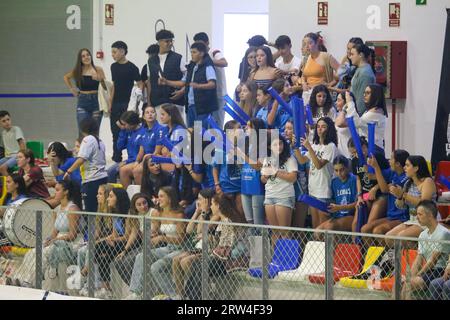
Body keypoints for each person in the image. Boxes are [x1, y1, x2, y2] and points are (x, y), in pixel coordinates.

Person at [10, 180, 82, 288]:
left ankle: (30, 282)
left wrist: (57, 240)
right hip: (57, 241)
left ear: (66, 192)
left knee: (42, 254)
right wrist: (47, 240)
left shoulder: (72, 209)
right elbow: (54, 233)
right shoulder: (57, 209)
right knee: (33, 251)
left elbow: (72, 235)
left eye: (57, 190)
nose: (55, 193)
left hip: (70, 243)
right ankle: (19, 279)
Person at [127, 186, 185, 299]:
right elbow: (155, 230)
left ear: (170, 198)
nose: (159, 199)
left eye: (162, 196)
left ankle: (174, 296)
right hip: (168, 248)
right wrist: (153, 235)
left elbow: (181, 240)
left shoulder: (179, 215)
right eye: (158, 196)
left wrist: (162, 238)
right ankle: (135, 293)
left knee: (155, 268)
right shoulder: (160, 213)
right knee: (141, 256)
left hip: (180, 248)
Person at [172, 188, 219, 299]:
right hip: (198, 247)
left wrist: (203, 212)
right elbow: (189, 230)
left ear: (208, 201)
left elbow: (201, 231)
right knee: (175, 260)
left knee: (185, 261)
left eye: (200, 199)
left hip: (210, 249)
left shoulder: (216, 215)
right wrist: (197, 212)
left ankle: (199, 287)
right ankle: (181, 295)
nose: (198, 202)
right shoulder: (201, 213)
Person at [159, 41, 217, 128]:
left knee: (199, 135)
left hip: (202, 107)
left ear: (201, 53)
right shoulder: (191, 66)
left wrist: (198, 86)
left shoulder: (207, 66)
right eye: (191, 52)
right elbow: (183, 82)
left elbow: (212, 84)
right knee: (190, 132)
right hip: (190, 105)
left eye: (194, 52)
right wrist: (167, 82)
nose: (192, 54)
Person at [400, 200, 450, 299]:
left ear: (430, 215)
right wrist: (411, 276)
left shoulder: (443, 233)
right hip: (428, 271)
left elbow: (432, 261)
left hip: (440, 270)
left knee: (410, 284)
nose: (417, 217)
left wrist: (417, 275)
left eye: (420, 214)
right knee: (401, 283)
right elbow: (419, 259)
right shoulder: (423, 234)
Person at [296, 117, 338, 229]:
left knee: (323, 227)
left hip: (324, 190)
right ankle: (318, 247)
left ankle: (327, 247)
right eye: (318, 126)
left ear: (329, 129)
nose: (320, 129)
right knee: (315, 226)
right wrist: (294, 147)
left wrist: (309, 147)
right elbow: (302, 160)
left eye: (323, 126)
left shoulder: (331, 146)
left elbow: (319, 165)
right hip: (313, 189)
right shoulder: (315, 145)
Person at [386, 156, 437, 246]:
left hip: (427, 221)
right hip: (412, 220)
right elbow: (401, 206)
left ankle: (416, 258)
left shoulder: (427, 181)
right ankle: (400, 259)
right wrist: (399, 197)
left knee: (401, 237)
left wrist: (403, 195)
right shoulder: (408, 183)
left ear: (416, 168)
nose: (404, 168)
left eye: (407, 165)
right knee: (389, 237)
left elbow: (424, 204)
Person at [64, 118, 108, 213]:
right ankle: (99, 228)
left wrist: (69, 171)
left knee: (90, 210)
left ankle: (91, 228)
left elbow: (81, 159)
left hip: (92, 180)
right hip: (103, 178)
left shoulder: (87, 139)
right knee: (100, 209)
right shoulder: (101, 141)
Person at [362, 150, 409, 236]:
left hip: (402, 217)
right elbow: (373, 176)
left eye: (391, 159)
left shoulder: (405, 178)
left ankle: (387, 250)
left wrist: (376, 167)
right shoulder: (392, 172)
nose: (389, 161)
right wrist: (368, 167)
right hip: (391, 216)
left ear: (398, 164)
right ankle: (374, 250)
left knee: (378, 231)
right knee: (365, 229)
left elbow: (384, 189)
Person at [93, 188, 130, 299]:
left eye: (111, 196)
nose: (108, 198)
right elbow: (114, 234)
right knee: (102, 257)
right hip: (116, 243)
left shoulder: (128, 213)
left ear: (118, 198)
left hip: (127, 244)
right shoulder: (114, 212)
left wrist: (113, 240)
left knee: (98, 247)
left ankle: (88, 273)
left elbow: (127, 236)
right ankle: (106, 289)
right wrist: (109, 238)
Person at [109, 41, 142, 163]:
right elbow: (114, 86)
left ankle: (133, 157)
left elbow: (140, 83)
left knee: (129, 130)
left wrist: (138, 101)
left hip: (128, 104)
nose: (112, 55)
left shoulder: (132, 67)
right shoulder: (113, 66)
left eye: (114, 52)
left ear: (122, 51)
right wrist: (110, 103)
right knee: (115, 131)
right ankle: (116, 158)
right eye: (112, 52)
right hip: (116, 103)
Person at [261, 134, 298, 240]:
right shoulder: (267, 160)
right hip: (269, 196)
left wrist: (276, 172)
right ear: (269, 147)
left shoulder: (289, 159)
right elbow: (263, 180)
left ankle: (288, 257)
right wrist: (266, 176)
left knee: (284, 232)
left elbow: (293, 178)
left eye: (280, 143)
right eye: (275, 144)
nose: (279, 147)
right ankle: (275, 257)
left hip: (284, 196)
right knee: (275, 232)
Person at [63, 48, 107, 133]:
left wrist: (100, 79)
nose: (86, 57)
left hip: (96, 101)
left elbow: (105, 88)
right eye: (83, 56)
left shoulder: (98, 69)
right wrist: (72, 88)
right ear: (80, 59)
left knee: (94, 131)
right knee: (82, 130)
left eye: (88, 55)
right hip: (83, 101)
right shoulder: (78, 71)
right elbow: (66, 77)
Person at [114, 193, 153, 288]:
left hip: (153, 244)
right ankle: (134, 288)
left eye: (144, 203)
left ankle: (138, 289)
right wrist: (124, 250)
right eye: (139, 204)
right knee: (118, 261)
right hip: (143, 244)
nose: (143, 206)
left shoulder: (153, 212)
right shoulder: (136, 215)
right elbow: (133, 234)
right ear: (134, 207)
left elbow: (153, 233)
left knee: (128, 261)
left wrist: (142, 234)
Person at [148, 29, 186, 121]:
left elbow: (189, 78)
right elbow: (150, 81)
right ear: (159, 42)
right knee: (160, 132)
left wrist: (182, 91)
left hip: (175, 101)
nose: (170, 43)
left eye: (171, 41)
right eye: (167, 41)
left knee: (176, 130)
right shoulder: (151, 60)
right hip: (157, 102)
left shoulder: (179, 58)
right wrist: (149, 102)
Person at [193, 32, 228, 128]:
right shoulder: (199, 58)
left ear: (207, 43)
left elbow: (224, 62)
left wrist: (207, 61)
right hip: (207, 97)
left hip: (219, 94)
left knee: (218, 124)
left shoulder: (214, 52)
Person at [316, 156, 357, 233]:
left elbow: (357, 203)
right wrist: (329, 209)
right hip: (338, 215)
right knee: (317, 232)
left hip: (351, 215)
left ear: (347, 168)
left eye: (342, 170)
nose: (339, 173)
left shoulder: (354, 180)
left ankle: (336, 245)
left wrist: (340, 207)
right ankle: (334, 245)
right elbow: (334, 201)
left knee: (330, 227)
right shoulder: (334, 182)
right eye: (336, 170)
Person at [213, 120, 244, 221]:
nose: (241, 130)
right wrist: (217, 184)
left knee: (241, 214)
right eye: (238, 128)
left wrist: (236, 155)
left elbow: (243, 166)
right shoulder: (220, 147)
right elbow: (215, 167)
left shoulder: (243, 146)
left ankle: (243, 235)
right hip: (225, 187)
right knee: (228, 217)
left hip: (240, 186)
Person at [240, 118, 267, 227]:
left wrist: (242, 155)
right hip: (245, 185)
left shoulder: (263, 145)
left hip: (257, 186)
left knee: (258, 223)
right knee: (249, 222)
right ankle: (251, 244)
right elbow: (243, 165)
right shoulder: (246, 143)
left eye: (249, 126)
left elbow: (257, 166)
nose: (246, 128)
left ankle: (260, 244)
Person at [132, 104, 168, 184]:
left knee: (137, 171)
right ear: (144, 117)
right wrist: (137, 162)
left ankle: (142, 194)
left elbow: (157, 151)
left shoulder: (161, 129)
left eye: (152, 112)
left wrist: (143, 162)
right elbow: (141, 151)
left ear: (156, 115)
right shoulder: (143, 131)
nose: (150, 114)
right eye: (147, 113)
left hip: (156, 158)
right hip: (146, 159)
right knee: (124, 170)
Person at [301, 32, 339, 103]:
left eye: (310, 43)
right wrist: (303, 83)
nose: (307, 46)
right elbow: (303, 75)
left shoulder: (326, 56)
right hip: (308, 94)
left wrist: (330, 85)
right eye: (305, 44)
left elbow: (341, 72)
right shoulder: (306, 58)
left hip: (321, 96)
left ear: (317, 43)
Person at [116, 111, 144, 188]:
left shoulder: (143, 132)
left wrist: (127, 162)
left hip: (138, 161)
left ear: (132, 124)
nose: (123, 126)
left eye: (124, 124)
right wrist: (122, 130)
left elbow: (142, 153)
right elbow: (119, 147)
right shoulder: (128, 131)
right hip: (129, 160)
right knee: (110, 172)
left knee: (120, 170)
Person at [357, 84, 388, 153]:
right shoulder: (371, 111)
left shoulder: (375, 113)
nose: (364, 95)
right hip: (372, 147)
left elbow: (356, 123)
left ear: (375, 95)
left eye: (368, 93)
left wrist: (350, 103)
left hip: (374, 149)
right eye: (364, 93)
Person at [349, 43, 376, 115]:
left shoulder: (365, 73)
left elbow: (362, 100)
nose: (350, 57)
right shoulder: (360, 69)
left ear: (360, 55)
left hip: (359, 117)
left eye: (352, 54)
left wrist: (355, 116)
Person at [0, 110, 26, 176]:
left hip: (16, 156)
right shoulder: (3, 133)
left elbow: (22, 145)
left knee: (2, 168)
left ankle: (11, 184)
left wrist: (21, 157)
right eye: (3, 121)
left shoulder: (16, 129)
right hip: (7, 157)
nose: (7, 122)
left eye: (8, 119)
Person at [334, 91, 358, 158]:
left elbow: (340, 123)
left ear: (346, 103)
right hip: (340, 154)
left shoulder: (352, 116)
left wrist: (344, 109)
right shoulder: (340, 114)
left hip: (350, 155)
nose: (336, 103)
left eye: (338, 100)